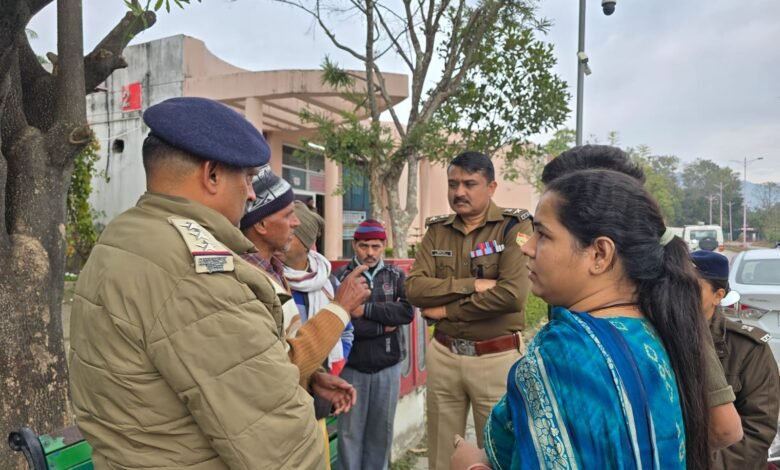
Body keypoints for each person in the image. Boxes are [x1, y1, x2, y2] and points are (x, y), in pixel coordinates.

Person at [69, 97, 328, 468]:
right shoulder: (195, 275)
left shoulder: (123, 236)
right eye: (248, 178)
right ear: (212, 175)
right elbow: (281, 448)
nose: (251, 193)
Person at [452, 169, 711, 470]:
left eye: (543, 234)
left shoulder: (566, 354)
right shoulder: (651, 331)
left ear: (599, 254)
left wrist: (470, 466)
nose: (527, 247)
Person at [541, 144, 743, 451]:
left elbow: (723, 428)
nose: (530, 247)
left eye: (546, 232)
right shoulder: (570, 300)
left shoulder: (663, 298)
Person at [405, 151, 532, 470]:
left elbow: (511, 296)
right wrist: (472, 284)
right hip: (444, 355)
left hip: (495, 357)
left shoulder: (515, 227)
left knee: (499, 452)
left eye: (469, 184)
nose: (459, 192)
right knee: (441, 453)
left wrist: (446, 310)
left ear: (491, 187)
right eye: (453, 184)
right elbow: (415, 288)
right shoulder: (437, 230)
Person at [239, 168, 368, 384]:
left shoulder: (279, 274)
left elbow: (346, 333)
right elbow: (277, 368)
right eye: (287, 215)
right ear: (261, 224)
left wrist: (317, 377)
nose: (295, 223)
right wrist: (340, 307)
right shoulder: (245, 281)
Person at [333, 219, 415, 470]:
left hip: (387, 367)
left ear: (383, 245)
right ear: (354, 245)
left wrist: (364, 310)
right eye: (364, 246)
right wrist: (382, 326)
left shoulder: (396, 275)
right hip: (351, 369)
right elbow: (341, 323)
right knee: (349, 435)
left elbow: (406, 313)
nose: (370, 252)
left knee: (381, 434)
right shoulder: (341, 278)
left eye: (376, 246)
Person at [691, 250, 780, 469]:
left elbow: (758, 429)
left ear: (718, 295)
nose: (680, 295)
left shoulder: (748, 349)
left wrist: (698, 465)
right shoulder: (653, 337)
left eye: (692, 288)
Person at [279, 201, 354, 378]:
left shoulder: (329, 283)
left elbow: (346, 331)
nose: (282, 238)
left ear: (306, 242)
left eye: (291, 233)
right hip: (287, 377)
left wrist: (336, 366)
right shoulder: (273, 279)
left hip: (325, 379)